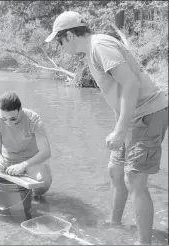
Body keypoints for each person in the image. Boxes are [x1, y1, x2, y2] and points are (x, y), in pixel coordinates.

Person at [45, 11, 168, 245]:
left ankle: (145, 243)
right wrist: (120, 127)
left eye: (59, 41)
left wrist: (121, 130)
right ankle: (115, 224)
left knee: (135, 180)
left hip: (148, 114)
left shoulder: (99, 45)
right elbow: (120, 92)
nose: (59, 47)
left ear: (70, 35)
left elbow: (130, 83)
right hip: (131, 117)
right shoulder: (93, 50)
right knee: (115, 170)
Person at [0, 91, 52, 196]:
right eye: (4, 119)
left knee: (42, 183)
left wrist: (23, 165)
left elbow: (46, 152)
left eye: (13, 119)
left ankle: (33, 199)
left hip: (32, 162)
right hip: (9, 163)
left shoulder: (34, 119)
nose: (8, 123)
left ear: (20, 109)